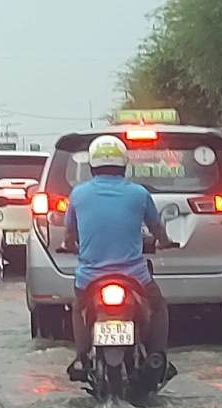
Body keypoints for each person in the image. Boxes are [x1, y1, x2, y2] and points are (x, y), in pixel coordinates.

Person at [63, 135, 176, 384]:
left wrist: (69, 246)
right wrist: (166, 242)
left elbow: (69, 235)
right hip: (134, 275)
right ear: (123, 164)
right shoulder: (138, 193)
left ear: (92, 165)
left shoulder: (78, 194)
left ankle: (82, 357)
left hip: (90, 277)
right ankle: (158, 357)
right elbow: (157, 229)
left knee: (78, 307)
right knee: (158, 306)